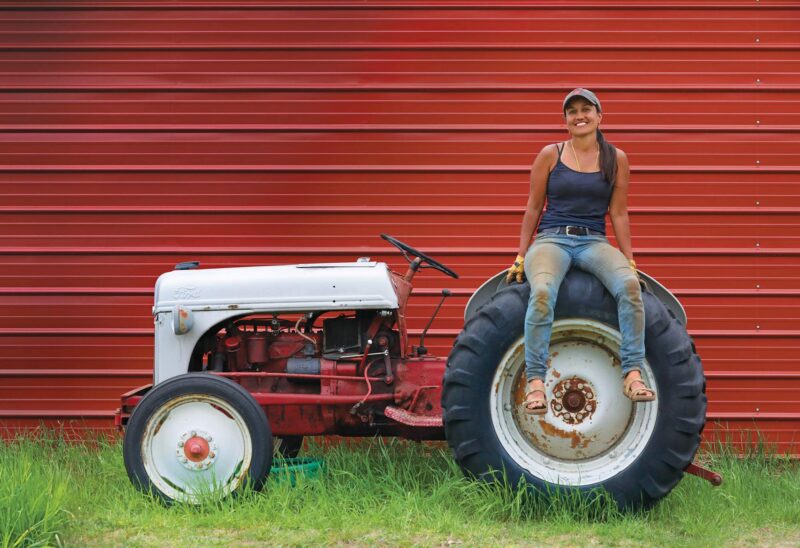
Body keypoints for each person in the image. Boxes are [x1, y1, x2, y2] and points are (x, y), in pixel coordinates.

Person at [505, 88, 655, 415]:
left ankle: (631, 373)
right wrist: (520, 254)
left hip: (593, 242)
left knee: (630, 287)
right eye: (572, 112)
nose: (579, 116)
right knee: (542, 291)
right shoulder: (551, 154)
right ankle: (535, 383)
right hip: (551, 240)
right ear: (566, 121)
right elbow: (533, 208)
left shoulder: (616, 159)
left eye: (586, 109)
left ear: (600, 116)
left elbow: (618, 212)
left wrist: (629, 260)